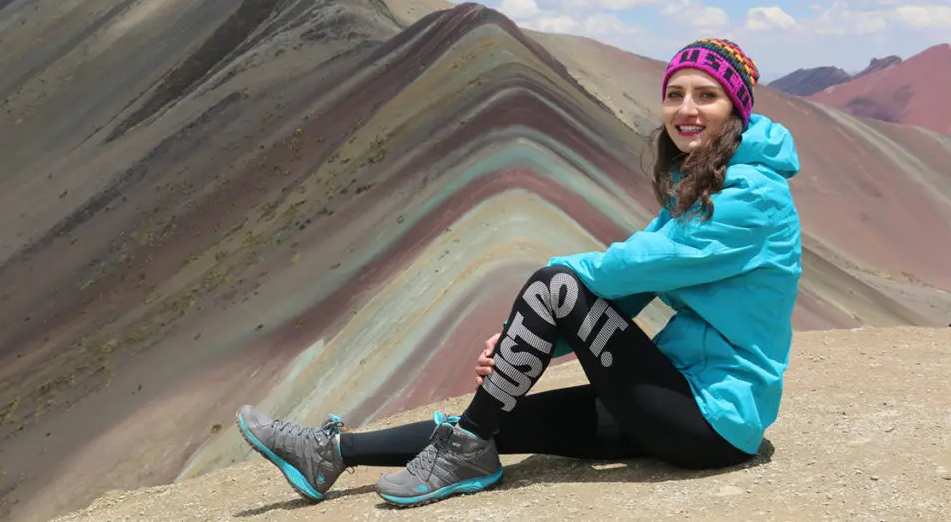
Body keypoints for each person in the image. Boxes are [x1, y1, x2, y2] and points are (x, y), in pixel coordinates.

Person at [235, 37, 802, 507]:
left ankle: (465, 449)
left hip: (712, 419)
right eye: (674, 94)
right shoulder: (703, 180)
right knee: (503, 416)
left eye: (707, 95)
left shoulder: (752, 197)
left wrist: (550, 293)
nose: (686, 109)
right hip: (673, 393)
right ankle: (332, 454)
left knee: (554, 284)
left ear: (737, 110)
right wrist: (535, 343)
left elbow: (633, 267)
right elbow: (636, 288)